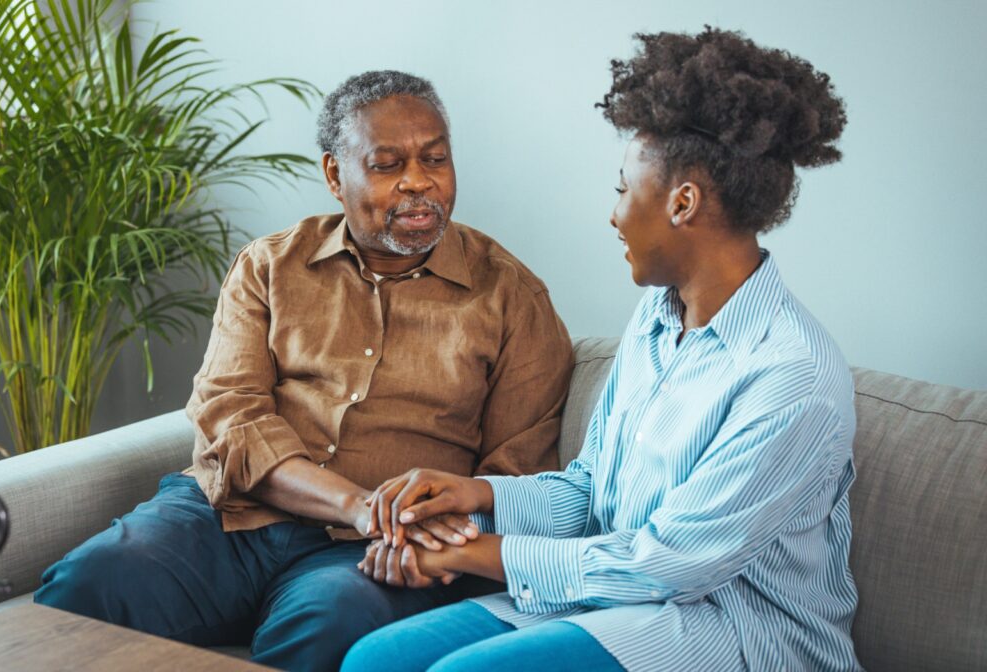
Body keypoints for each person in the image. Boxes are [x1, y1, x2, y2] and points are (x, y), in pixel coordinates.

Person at [345, 29, 861, 672]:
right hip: (611, 598)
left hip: (737, 633)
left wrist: (463, 552)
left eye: (624, 189)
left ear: (683, 203)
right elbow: (592, 492)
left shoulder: (793, 378)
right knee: (376, 660)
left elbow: (667, 565)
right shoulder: (655, 318)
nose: (614, 215)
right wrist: (473, 497)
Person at [33, 70, 573, 671]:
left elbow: (517, 474)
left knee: (326, 625)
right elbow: (232, 417)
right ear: (335, 175)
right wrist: (354, 503)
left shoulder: (512, 296)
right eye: (388, 164)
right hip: (231, 518)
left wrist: (433, 537)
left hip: (379, 547)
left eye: (436, 159)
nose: (419, 182)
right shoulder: (268, 267)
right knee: (86, 585)